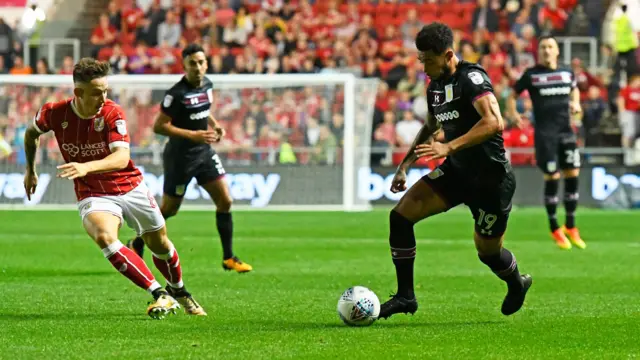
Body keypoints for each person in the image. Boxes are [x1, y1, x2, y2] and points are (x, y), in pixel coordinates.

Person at [22, 58, 206, 319]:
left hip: (129, 185)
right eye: (97, 92)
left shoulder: (112, 112)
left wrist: (86, 167)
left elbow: (120, 158)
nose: (103, 97)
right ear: (79, 93)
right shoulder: (53, 113)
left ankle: (179, 290)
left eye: (105, 91)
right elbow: (31, 135)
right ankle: (158, 293)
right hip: (93, 193)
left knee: (160, 245)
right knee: (105, 237)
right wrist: (31, 170)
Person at [378, 23, 532, 320]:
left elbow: (494, 122)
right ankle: (405, 296)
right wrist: (404, 165)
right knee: (400, 216)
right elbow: (431, 127)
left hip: (491, 180)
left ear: (448, 54)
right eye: (421, 60)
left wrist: (449, 148)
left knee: (487, 252)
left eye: (429, 60)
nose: (423, 67)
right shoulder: (434, 87)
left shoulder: (472, 79)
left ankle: (516, 282)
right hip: (457, 173)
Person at [126, 44, 252, 273]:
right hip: (180, 158)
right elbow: (159, 126)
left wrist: (215, 125)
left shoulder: (208, 85)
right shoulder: (176, 94)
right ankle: (137, 240)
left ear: (206, 64)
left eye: (201, 62)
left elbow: (204, 109)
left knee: (226, 201)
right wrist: (193, 134)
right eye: (192, 63)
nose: (197, 67)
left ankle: (229, 258)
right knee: (169, 209)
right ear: (184, 65)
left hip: (203, 154)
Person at [508, 35, 586, 250]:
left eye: (550, 47)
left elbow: (575, 88)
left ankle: (571, 226)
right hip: (545, 135)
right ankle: (554, 228)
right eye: (543, 47)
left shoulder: (566, 73)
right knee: (552, 176)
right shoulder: (531, 74)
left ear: (557, 51)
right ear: (538, 51)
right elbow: (512, 95)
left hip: (566, 132)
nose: (546, 50)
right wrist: (514, 114)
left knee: (572, 173)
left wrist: (576, 103)